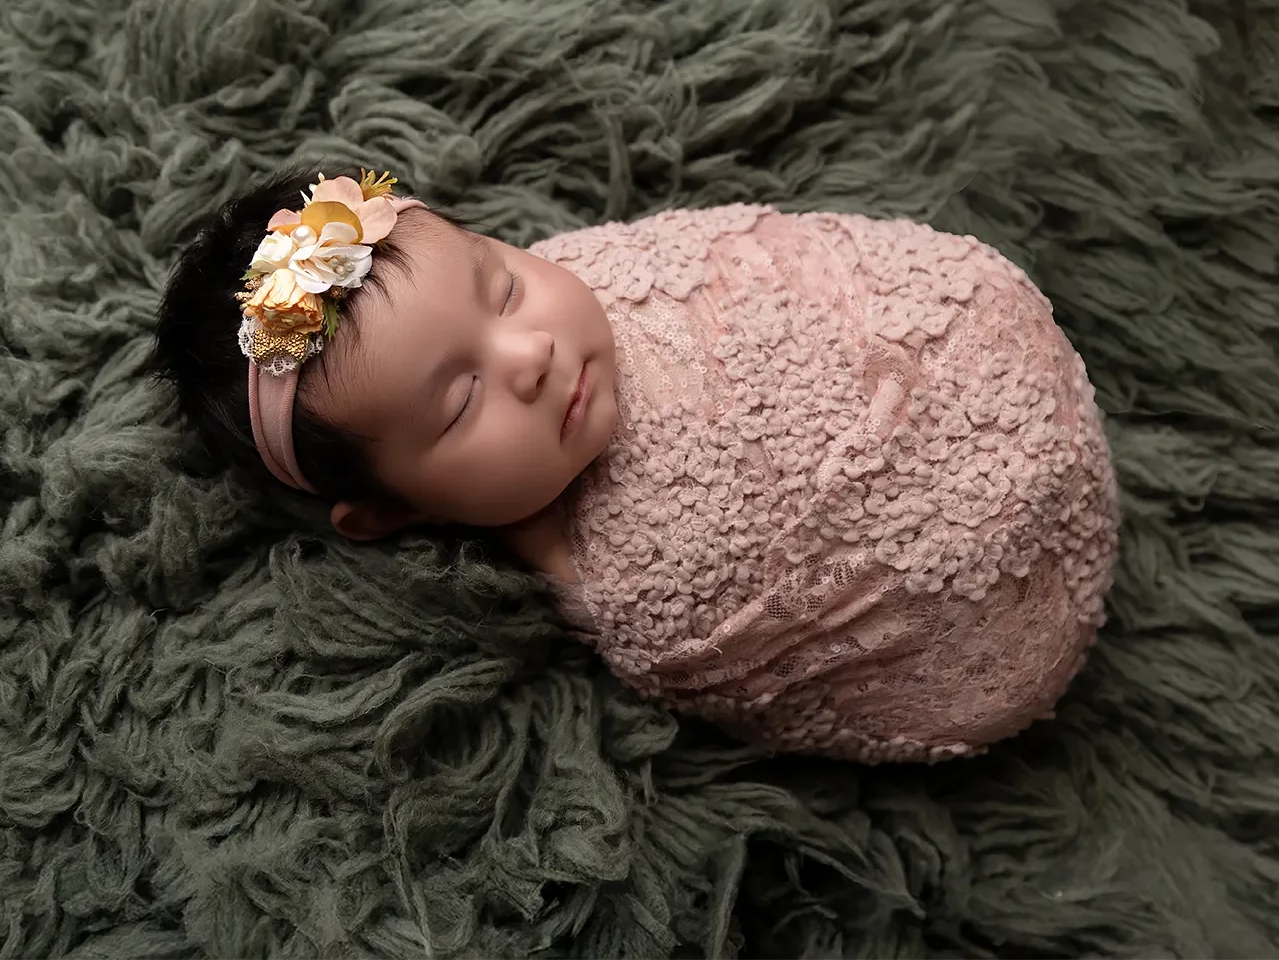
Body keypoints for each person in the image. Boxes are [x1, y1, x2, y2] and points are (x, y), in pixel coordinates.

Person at [154, 164, 1118, 763]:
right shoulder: (629, 594)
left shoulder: (603, 273)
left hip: (978, 347)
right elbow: (762, 658)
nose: (529, 355)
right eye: (459, 401)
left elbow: (752, 256)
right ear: (395, 512)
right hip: (962, 596)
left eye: (501, 285)